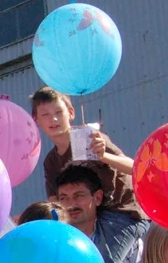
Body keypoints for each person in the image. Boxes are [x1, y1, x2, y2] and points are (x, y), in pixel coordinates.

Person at [30, 85, 142, 217]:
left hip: (123, 212)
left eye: (58, 112)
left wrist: (104, 156)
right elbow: (55, 203)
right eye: (45, 114)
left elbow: (135, 168)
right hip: (89, 219)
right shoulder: (51, 162)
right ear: (36, 120)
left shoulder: (88, 138)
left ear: (71, 113)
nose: (53, 119)